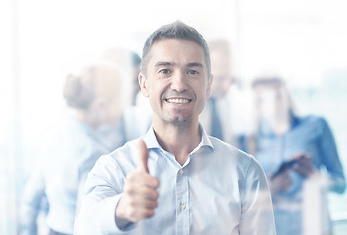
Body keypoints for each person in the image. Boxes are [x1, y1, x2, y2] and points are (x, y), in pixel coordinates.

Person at [74, 21, 276, 235]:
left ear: (208, 85)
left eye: (192, 72)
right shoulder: (114, 168)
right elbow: (85, 225)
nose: (179, 84)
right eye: (165, 70)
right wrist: (122, 209)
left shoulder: (245, 172)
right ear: (144, 84)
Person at [20, 61, 126, 235]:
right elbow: (87, 222)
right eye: (119, 102)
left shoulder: (55, 133)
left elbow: (32, 194)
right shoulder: (92, 152)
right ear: (101, 105)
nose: (123, 109)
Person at [251, 76, 346, 235]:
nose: (273, 104)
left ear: (286, 95)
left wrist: (315, 177)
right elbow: (244, 200)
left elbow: (341, 184)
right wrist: (272, 187)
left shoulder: (316, 125)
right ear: (257, 104)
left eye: (277, 96)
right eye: (264, 99)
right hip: (274, 229)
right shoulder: (252, 139)